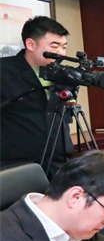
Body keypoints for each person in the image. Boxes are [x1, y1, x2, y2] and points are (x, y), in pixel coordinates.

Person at [0, 16, 72, 175]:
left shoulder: (61, 74)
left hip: (58, 162)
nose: (61, 52)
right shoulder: (4, 71)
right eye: (55, 46)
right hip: (15, 166)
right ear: (31, 44)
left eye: (64, 47)